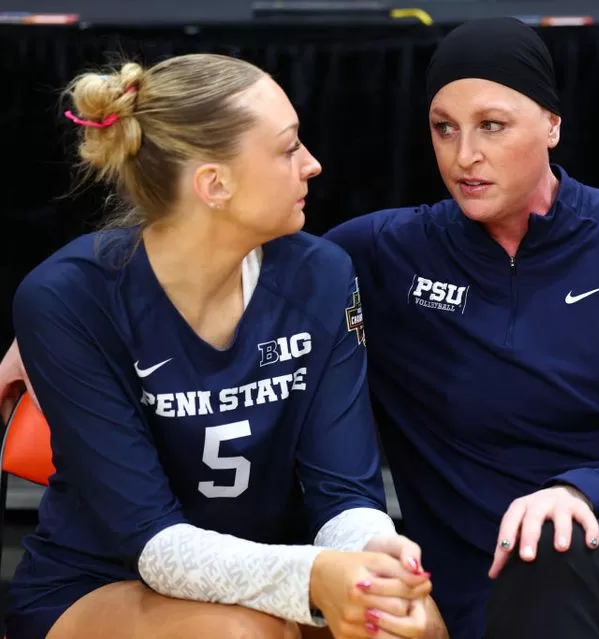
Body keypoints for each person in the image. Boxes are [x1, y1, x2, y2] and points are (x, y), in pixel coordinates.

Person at [0, 53, 448, 639]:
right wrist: (314, 576)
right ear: (214, 184)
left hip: (277, 571)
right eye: (288, 148)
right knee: (238, 634)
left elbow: (343, 489)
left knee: (410, 625)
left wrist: (376, 559)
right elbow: (149, 541)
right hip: (101, 580)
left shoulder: (323, 273)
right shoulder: (68, 298)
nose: (312, 164)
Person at [322, 17, 599, 639]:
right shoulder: (384, 254)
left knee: (555, 553)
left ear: (552, 124)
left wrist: (583, 491)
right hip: (471, 592)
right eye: (445, 129)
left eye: (491, 126)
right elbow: (245, 275)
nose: (464, 156)